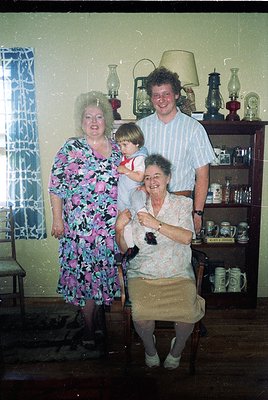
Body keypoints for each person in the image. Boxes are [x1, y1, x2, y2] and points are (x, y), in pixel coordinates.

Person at [115, 154, 205, 369]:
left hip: (177, 273)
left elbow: (186, 237)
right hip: (144, 274)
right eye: (147, 178)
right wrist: (119, 229)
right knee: (141, 313)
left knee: (188, 314)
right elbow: (126, 249)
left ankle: (177, 349)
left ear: (168, 178)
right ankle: (149, 347)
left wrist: (155, 224)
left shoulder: (183, 203)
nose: (152, 182)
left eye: (157, 176)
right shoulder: (136, 206)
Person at [48, 91, 121, 349]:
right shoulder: (71, 148)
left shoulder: (118, 150)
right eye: (88, 117)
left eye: (99, 117)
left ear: (107, 120)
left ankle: (99, 321)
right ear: (81, 121)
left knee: (103, 278)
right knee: (87, 282)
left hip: (110, 230)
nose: (93, 121)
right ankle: (90, 329)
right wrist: (58, 220)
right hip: (80, 230)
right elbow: (56, 187)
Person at [137, 67, 215, 234]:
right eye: (156, 95)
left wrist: (198, 212)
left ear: (177, 95)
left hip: (180, 206)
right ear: (151, 98)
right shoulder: (140, 128)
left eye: (166, 94)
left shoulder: (194, 129)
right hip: (147, 206)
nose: (162, 100)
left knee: (177, 258)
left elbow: (202, 175)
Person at [115, 123, 156, 248]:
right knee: (126, 226)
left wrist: (126, 171)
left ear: (137, 143)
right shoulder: (127, 157)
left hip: (134, 191)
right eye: (120, 145)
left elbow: (139, 176)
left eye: (125, 145)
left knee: (140, 210)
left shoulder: (139, 159)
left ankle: (149, 232)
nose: (122, 149)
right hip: (123, 196)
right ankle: (131, 248)